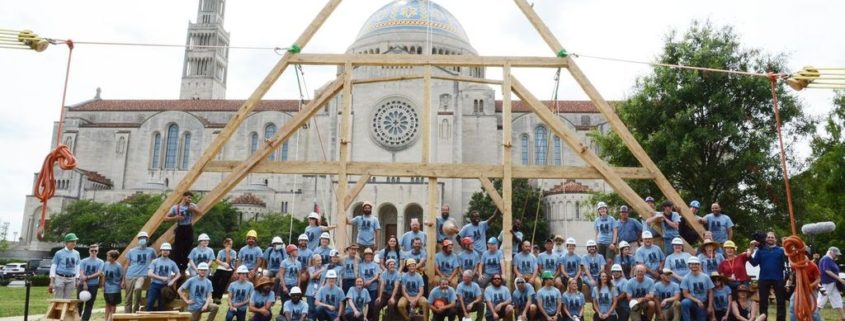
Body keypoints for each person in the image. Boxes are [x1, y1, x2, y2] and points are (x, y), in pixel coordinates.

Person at [749, 231, 787, 321]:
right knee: (763, 302)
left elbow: (785, 265)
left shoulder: (781, 251)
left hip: (778, 278)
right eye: (768, 237)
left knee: (781, 301)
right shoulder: (760, 250)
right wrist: (748, 256)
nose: (770, 238)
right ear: (765, 239)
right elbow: (754, 263)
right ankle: (763, 319)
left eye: (772, 237)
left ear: (775, 239)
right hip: (763, 279)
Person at [165, 191, 200, 270]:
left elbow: (200, 213)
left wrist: (194, 210)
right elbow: (166, 218)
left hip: (189, 227)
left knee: (188, 247)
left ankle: (184, 267)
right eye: (188, 197)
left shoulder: (192, 205)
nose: (190, 199)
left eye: (191, 198)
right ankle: (177, 266)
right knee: (178, 248)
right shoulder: (175, 207)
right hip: (180, 228)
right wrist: (175, 217)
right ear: (183, 197)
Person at [124, 231, 156, 313]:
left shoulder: (151, 250)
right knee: (128, 298)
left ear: (147, 239)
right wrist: (123, 279)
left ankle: (135, 312)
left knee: (138, 289)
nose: (142, 240)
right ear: (138, 239)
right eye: (141, 238)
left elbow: (154, 262)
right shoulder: (131, 251)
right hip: (130, 275)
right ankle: (127, 315)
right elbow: (127, 265)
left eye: (144, 238)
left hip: (142, 275)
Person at [147, 242, 181, 311]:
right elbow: (149, 273)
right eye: (164, 250)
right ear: (161, 250)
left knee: (162, 305)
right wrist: (161, 278)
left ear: (169, 252)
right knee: (150, 302)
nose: (165, 251)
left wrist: (172, 281)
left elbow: (178, 274)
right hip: (155, 285)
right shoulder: (155, 261)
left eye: (167, 250)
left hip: (165, 287)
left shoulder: (172, 263)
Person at [680, 257, 713, 321]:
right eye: (692, 264)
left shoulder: (706, 277)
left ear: (699, 265)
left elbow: (710, 292)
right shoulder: (686, 278)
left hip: (703, 302)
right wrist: (697, 301)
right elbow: (685, 294)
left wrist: (710, 306)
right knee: (684, 302)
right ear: (689, 265)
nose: (694, 266)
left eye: (696, 264)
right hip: (692, 301)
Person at [50, 233, 81, 300]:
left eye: (75, 241)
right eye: (72, 241)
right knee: (58, 299)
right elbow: (53, 267)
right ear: (66, 242)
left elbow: (77, 267)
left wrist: (77, 279)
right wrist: (52, 282)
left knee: (67, 299)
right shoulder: (59, 253)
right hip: (60, 278)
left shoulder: (77, 253)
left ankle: (65, 311)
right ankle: (58, 311)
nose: (74, 243)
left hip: (71, 279)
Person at [78, 244, 104, 321]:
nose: (93, 252)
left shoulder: (100, 262)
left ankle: (85, 320)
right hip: (82, 284)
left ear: (97, 252)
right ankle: (77, 318)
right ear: (89, 251)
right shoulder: (83, 261)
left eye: (95, 250)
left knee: (89, 304)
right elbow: (81, 273)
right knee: (79, 303)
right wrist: (85, 283)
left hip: (93, 285)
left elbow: (99, 273)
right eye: (92, 250)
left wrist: (88, 277)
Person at [817, 246, 845, 319]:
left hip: (832, 283)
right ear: (831, 252)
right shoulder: (826, 259)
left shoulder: (830, 259)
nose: (837, 255)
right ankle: (813, 316)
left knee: (837, 299)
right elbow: (827, 270)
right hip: (827, 282)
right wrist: (839, 279)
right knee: (821, 300)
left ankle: (843, 317)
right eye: (836, 254)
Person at [358, 248, 381, 321]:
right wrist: (364, 282)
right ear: (364, 256)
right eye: (366, 254)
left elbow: (377, 276)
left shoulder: (375, 265)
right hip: (364, 287)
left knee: (372, 305)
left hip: (373, 287)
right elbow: (360, 275)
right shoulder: (360, 265)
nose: (368, 256)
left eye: (370, 254)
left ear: (372, 256)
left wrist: (370, 281)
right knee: (364, 304)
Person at [212, 238, 237, 304]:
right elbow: (217, 260)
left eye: (231, 244)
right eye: (228, 244)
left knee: (223, 280)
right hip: (221, 267)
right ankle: (214, 296)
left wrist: (227, 252)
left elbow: (228, 262)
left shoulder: (233, 252)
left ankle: (219, 297)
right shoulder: (220, 251)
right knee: (215, 278)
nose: (230, 246)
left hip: (229, 269)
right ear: (224, 244)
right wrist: (223, 264)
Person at [102, 250, 124, 321]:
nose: (107, 257)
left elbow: (122, 276)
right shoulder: (105, 264)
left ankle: (111, 319)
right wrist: (103, 284)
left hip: (115, 288)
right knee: (107, 304)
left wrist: (122, 283)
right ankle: (106, 319)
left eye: (108, 256)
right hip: (107, 288)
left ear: (113, 258)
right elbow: (104, 275)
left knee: (113, 305)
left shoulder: (118, 266)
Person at [305, 254, 324, 321]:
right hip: (310, 292)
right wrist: (320, 271)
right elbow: (312, 276)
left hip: (319, 292)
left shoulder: (324, 268)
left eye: (320, 260)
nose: (320, 262)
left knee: (319, 309)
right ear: (313, 261)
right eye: (318, 260)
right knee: (310, 309)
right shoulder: (310, 268)